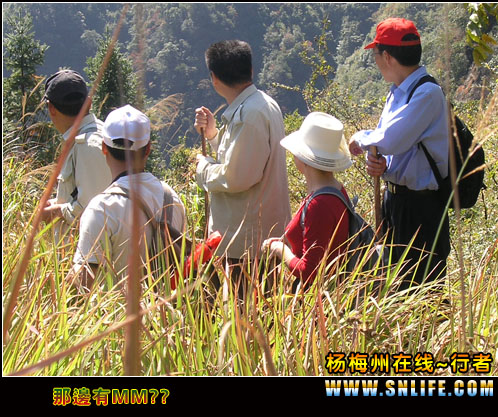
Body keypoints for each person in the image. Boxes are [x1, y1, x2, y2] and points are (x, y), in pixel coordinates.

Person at [348, 18, 450, 290]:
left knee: (423, 285)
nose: (377, 62)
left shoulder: (427, 93)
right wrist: (380, 163)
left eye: (376, 55)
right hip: (395, 201)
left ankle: (432, 333)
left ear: (388, 56)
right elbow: (389, 145)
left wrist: (360, 138)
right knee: (394, 284)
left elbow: (390, 139)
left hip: (421, 208)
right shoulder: (396, 93)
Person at [194, 40, 291, 298]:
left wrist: (203, 168)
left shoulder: (249, 115)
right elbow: (243, 158)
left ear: (214, 78)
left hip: (246, 244)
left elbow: (237, 177)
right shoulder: (259, 105)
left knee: (244, 319)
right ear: (250, 70)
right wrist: (214, 134)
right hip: (257, 238)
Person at [72, 105, 186, 289]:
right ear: (148, 149)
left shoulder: (102, 208)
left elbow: (82, 284)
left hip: (115, 317)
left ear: (103, 148)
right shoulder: (171, 197)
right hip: (167, 315)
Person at [262, 112, 352, 290]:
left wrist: (280, 250)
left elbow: (310, 271)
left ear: (303, 158)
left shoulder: (319, 204)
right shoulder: (336, 189)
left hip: (316, 302)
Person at [41, 69, 112, 227]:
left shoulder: (89, 146)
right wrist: (57, 203)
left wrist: (56, 212)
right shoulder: (96, 135)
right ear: (88, 103)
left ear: (51, 108)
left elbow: (97, 214)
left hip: (91, 251)